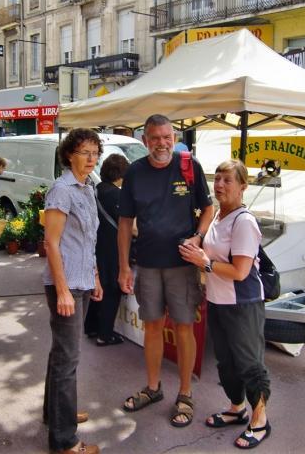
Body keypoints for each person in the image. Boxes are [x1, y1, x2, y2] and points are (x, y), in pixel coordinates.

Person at [118, 114, 214, 428]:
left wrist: (198, 237)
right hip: (147, 263)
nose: (162, 143)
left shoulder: (189, 165)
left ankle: (185, 394)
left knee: (184, 328)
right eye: (155, 138)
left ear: (173, 137)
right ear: (145, 141)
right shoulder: (135, 172)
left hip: (182, 266)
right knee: (154, 327)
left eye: (166, 136)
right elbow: (124, 224)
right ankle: (154, 387)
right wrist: (123, 267)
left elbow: (208, 207)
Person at [179, 159, 271, 449]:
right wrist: (197, 245)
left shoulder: (244, 222)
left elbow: (240, 272)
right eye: (217, 179)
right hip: (217, 301)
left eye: (227, 180)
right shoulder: (219, 216)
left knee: (248, 364)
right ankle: (236, 408)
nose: (219, 185)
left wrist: (204, 263)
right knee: (226, 363)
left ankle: (260, 420)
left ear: (243, 186)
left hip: (242, 304)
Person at [42, 128, 104, 454]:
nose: (91, 158)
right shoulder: (62, 190)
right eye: (84, 152)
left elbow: (87, 239)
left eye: (95, 152)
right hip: (65, 285)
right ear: (69, 154)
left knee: (62, 355)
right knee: (68, 359)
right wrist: (64, 291)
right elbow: (51, 243)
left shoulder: (88, 188)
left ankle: (56, 414)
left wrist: (95, 275)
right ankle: (65, 441)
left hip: (82, 280)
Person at [84, 153, 130, 346]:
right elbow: (128, 225)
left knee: (99, 288)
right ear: (120, 174)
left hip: (97, 245)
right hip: (112, 248)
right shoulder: (117, 195)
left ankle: (91, 326)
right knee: (111, 291)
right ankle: (105, 334)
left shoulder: (96, 190)